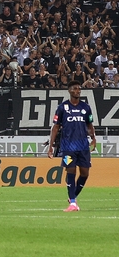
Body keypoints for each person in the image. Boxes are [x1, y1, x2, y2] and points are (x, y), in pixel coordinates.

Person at [47, 80, 96, 212]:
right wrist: (51, 145)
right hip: (67, 147)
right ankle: (73, 203)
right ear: (69, 90)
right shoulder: (62, 108)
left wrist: (93, 138)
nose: (77, 91)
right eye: (75, 88)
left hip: (83, 147)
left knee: (85, 173)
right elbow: (55, 127)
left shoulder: (86, 107)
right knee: (71, 171)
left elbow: (90, 125)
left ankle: (73, 196)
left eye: (79, 88)